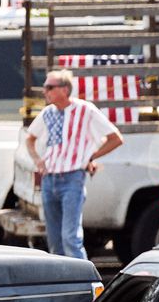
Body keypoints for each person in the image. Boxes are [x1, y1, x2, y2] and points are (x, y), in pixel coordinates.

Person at [25, 70, 123, 259]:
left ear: (64, 89)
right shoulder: (47, 113)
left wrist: (90, 157)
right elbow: (30, 139)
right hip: (50, 178)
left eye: (50, 87)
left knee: (70, 238)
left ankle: (86, 284)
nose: (45, 91)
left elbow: (115, 138)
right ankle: (62, 284)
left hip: (72, 177)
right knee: (54, 240)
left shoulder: (85, 110)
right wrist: (38, 160)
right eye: (45, 87)